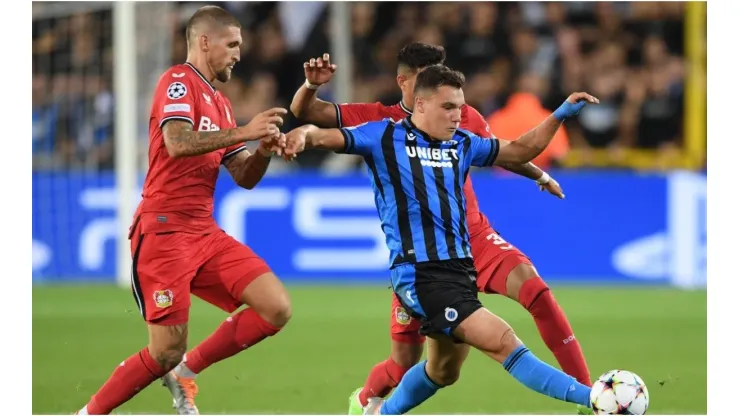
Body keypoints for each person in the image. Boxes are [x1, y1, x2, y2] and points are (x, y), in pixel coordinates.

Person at [289, 42, 593, 414]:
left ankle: (380, 413)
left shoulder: (462, 140)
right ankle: (594, 399)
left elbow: (517, 150)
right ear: (416, 95)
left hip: (463, 257)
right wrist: (300, 136)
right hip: (421, 273)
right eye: (449, 107)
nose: (457, 115)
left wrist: (559, 116)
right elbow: (319, 130)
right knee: (492, 344)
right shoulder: (381, 132)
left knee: (444, 370)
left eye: (459, 107)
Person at [76, 6, 291, 415]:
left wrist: (262, 148)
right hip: (164, 231)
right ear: (204, 42)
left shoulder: (222, 104)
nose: (239, 54)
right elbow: (176, 142)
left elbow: (243, 176)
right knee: (164, 350)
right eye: (232, 44)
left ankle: (186, 372)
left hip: (203, 232)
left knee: (276, 307)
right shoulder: (177, 81)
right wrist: (247, 129)